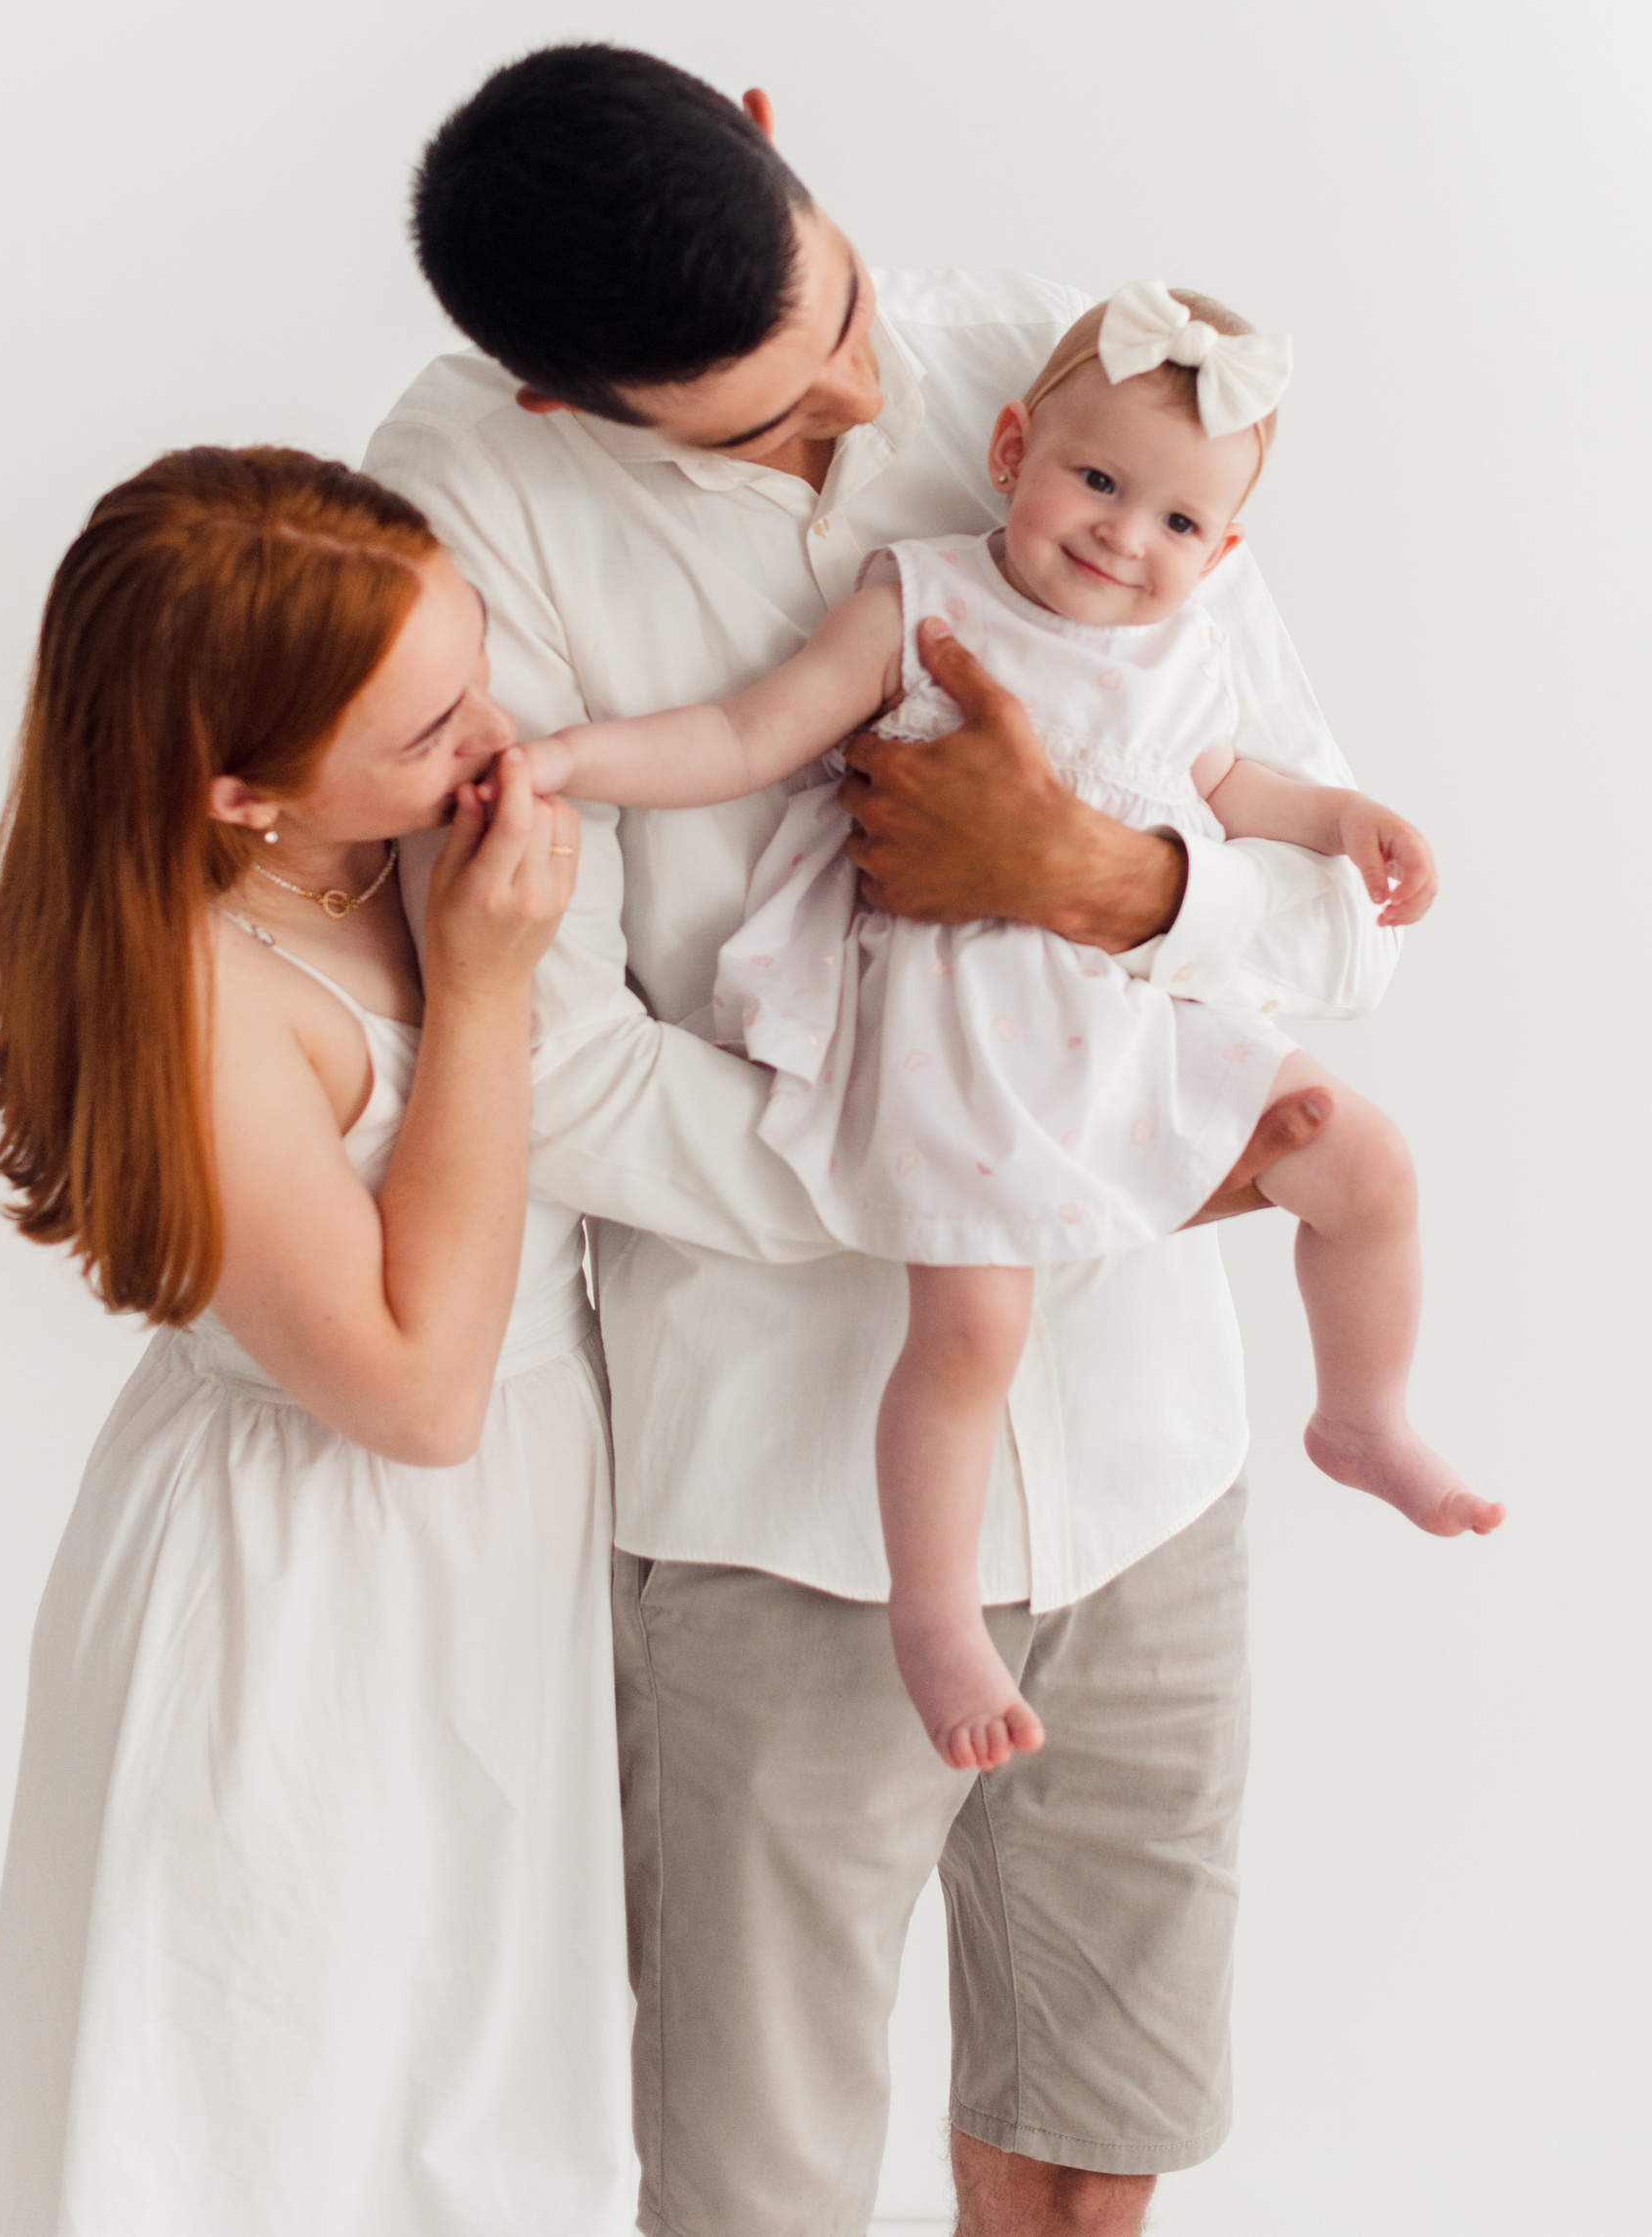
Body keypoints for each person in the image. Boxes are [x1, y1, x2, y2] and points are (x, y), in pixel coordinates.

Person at [368, 44, 1396, 2237]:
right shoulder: (468, 510)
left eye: (839, 309)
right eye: (763, 416)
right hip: (782, 1503)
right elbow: (547, 1065)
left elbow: (1332, 911)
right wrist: (992, 1173)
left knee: (1098, 2139)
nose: (863, 394)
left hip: (1146, 1456)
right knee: (756, 2188)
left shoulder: (1071, 378)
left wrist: (1096, 879)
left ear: (771, 137)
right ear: (561, 397)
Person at [518, 274, 1501, 1773]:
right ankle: (936, 1616)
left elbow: (1243, 792)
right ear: (1009, 451)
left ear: (1222, 553)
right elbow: (743, 735)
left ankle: (1363, 1413)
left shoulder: (1184, 656)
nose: (1124, 536)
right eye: (1096, 483)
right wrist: (573, 758)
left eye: (1178, 522)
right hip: (956, 1027)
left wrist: (1348, 817)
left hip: (1116, 1010)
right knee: (972, 1326)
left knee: (1363, 1161)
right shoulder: (921, 601)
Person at [0, 446, 634, 2237]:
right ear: (238, 792)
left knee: (475, 2101)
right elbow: (416, 1394)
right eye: (427, 730)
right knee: (282, 2108)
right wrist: (482, 987)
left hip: (502, 1554)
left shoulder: (391, 844)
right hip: (308, 1584)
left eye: (473, 668)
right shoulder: (205, 994)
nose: (491, 735)